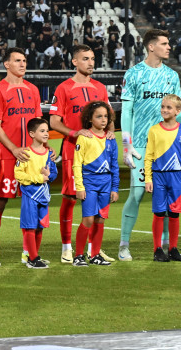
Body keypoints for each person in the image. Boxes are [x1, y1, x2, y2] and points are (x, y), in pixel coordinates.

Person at [118, 29, 181, 261]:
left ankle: (166, 246)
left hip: (168, 147)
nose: (169, 47)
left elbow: (179, 114)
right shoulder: (133, 73)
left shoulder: (172, 76)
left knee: (167, 196)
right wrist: (127, 144)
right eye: (165, 43)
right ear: (151, 46)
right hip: (142, 146)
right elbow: (126, 111)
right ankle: (124, 244)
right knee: (136, 195)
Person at [49, 44, 113, 264]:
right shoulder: (64, 88)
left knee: (99, 203)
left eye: (93, 58)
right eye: (85, 59)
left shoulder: (100, 88)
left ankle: (94, 250)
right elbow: (54, 121)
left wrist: (111, 136)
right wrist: (76, 133)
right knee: (70, 198)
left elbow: (109, 119)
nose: (91, 63)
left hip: (99, 154)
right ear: (74, 62)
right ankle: (67, 248)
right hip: (72, 150)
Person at [0, 47, 42, 267]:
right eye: (17, 60)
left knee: (33, 203)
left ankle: (29, 253)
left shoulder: (33, 90)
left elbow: (39, 125)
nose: (22, 64)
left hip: (32, 155)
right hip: (7, 155)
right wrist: (13, 148)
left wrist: (44, 148)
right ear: (6, 65)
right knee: (0, 201)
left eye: (24, 60)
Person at [145, 94, 181, 263]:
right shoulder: (154, 130)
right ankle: (157, 250)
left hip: (176, 177)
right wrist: (148, 179)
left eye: (169, 107)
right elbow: (149, 156)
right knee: (159, 213)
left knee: (174, 214)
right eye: (163, 107)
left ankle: (173, 249)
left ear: (177, 111)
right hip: (159, 176)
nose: (164, 110)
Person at [72, 101, 120, 267]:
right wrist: (79, 186)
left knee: (100, 220)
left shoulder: (111, 139)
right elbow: (77, 163)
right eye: (99, 116)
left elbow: (114, 165)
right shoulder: (84, 137)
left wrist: (115, 188)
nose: (103, 119)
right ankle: (78, 256)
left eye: (106, 116)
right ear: (90, 119)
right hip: (90, 182)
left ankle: (95, 255)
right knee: (88, 220)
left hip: (106, 184)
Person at [14, 118, 57, 269]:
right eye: (42, 131)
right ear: (32, 134)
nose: (46, 134)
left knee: (40, 226)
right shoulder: (25, 153)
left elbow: (53, 174)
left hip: (44, 196)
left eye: (47, 131)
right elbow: (18, 175)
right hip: (30, 196)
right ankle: (32, 258)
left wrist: (49, 175)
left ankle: (34, 256)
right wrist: (39, 177)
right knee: (30, 226)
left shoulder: (49, 154)